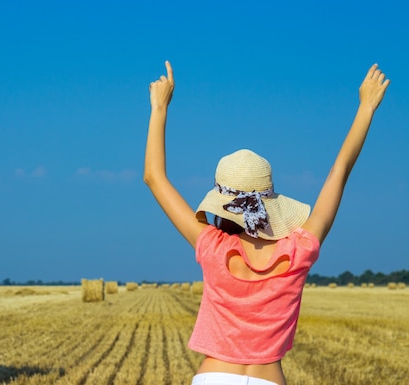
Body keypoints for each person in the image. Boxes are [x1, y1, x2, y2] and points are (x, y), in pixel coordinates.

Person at [144, 61, 390, 385]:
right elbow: (339, 171)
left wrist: (160, 106)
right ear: (271, 203)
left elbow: (154, 177)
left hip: (214, 377)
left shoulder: (212, 246)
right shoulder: (299, 249)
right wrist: (367, 107)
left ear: (221, 203)